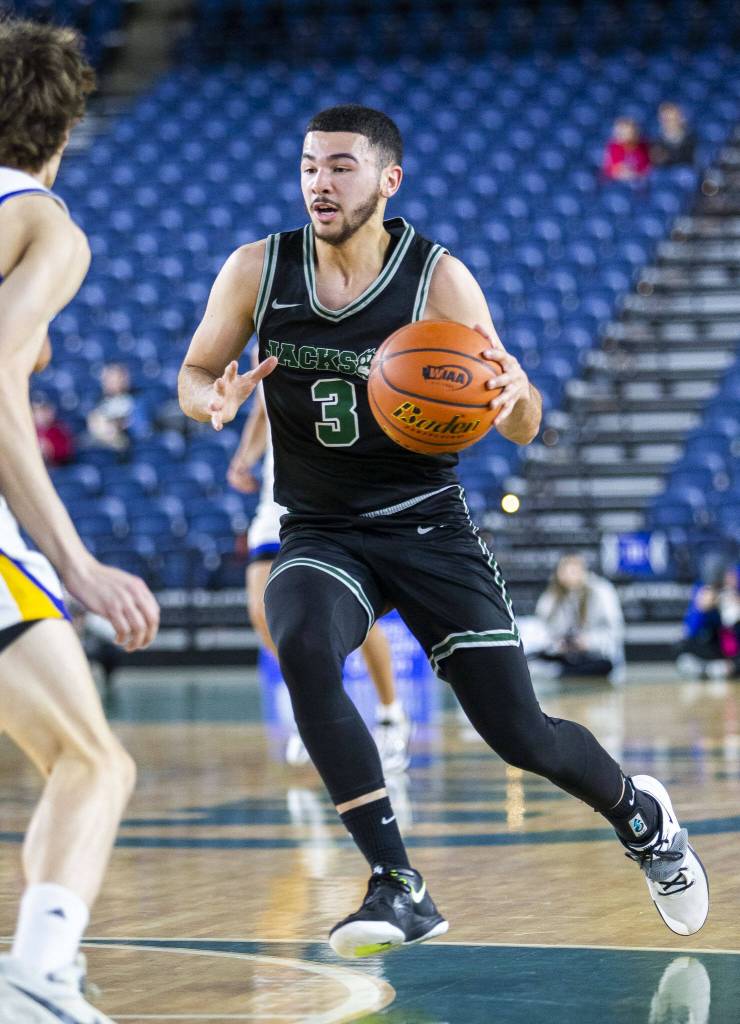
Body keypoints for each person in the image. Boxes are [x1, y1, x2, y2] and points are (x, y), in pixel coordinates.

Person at [179, 103, 708, 959]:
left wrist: (515, 398)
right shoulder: (256, 270)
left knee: (521, 735)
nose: (320, 181)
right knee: (303, 643)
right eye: (310, 165)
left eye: (342, 166)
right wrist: (206, 394)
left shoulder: (438, 279)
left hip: (428, 527)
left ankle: (640, 815)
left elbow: (525, 420)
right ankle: (398, 882)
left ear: (389, 180)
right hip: (321, 529)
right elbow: (197, 368)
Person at [0, 17, 160, 1023]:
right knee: (93, 759)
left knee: (68, 754)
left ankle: (36, 964)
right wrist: (76, 558)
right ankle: (37, 979)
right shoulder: (47, 222)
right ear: (63, 128)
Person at [227, 385, 412, 772]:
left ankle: (391, 714)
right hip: (278, 500)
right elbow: (263, 410)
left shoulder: (345, 337)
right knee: (262, 613)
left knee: (358, 614)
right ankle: (319, 707)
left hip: (334, 497)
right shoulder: (268, 340)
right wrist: (245, 457)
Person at [529, 553, 625, 683]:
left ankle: (562, 673)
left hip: (597, 656)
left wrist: (588, 642)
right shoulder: (553, 594)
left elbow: (615, 633)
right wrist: (560, 644)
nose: (569, 575)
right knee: (532, 661)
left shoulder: (601, 591)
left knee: (602, 666)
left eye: (574, 570)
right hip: (565, 656)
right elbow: (544, 630)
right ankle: (559, 672)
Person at [677, 556, 740, 680]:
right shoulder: (703, 590)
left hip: (733, 645)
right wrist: (702, 608)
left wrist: (733, 601)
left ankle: (726, 668)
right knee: (683, 651)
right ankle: (708, 668)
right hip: (712, 642)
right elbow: (689, 630)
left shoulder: (734, 585)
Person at [85, 361, 135, 452]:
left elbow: (137, 425)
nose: (108, 382)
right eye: (106, 379)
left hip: (126, 444)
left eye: (113, 379)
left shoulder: (136, 400)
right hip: (101, 442)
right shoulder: (97, 401)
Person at [602, 116, 651, 181]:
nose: (625, 135)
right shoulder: (613, 148)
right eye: (621, 132)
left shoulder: (643, 146)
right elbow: (610, 170)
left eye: (629, 131)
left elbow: (646, 168)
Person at [32, 393, 75, 466]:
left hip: (52, 468)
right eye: (38, 411)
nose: (41, 415)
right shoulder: (30, 429)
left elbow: (65, 452)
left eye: (45, 410)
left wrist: (50, 448)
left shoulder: (59, 430)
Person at [650, 102, 696, 167]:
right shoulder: (655, 140)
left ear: (680, 118)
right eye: (665, 120)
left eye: (672, 119)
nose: (669, 124)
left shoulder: (691, 138)